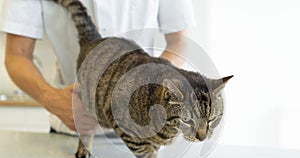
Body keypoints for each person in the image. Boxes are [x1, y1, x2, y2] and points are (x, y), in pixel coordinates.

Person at [0, 0, 196, 135]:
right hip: (72, 130)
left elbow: (179, 42)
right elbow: (17, 55)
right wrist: (53, 99)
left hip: (143, 131)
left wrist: (152, 86)